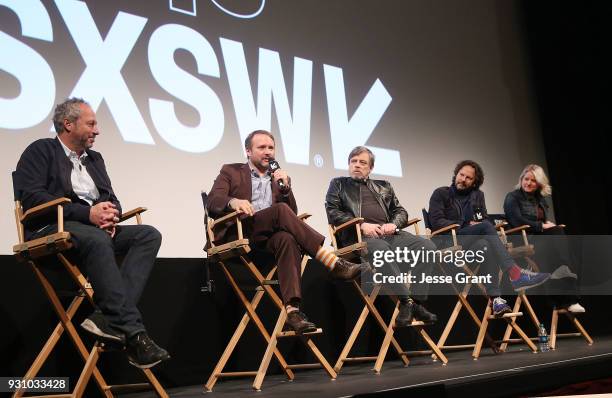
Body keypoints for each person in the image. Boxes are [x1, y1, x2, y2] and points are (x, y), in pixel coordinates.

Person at [14, 98, 169, 368]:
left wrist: (110, 216)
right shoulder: (40, 150)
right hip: (53, 228)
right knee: (96, 238)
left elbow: (111, 198)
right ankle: (134, 334)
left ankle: (104, 318)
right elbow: (33, 199)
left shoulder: (95, 159)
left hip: (92, 231)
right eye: (92, 124)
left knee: (148, 235)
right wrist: (87, 215)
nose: (97, 131)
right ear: (68, 124)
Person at [207, 130, 370, 334]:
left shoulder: (278, 177)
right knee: (280, 212)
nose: (268, 152)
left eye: (271, 148)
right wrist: (234, 201)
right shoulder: (231, 171)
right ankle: (333, 263)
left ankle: (293, 312)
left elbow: (291, 215)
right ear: (248, 151)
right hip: (240, 230)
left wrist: (284, 189)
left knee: (287, 238)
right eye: (262, 148)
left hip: (268, 236)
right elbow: (212, 201)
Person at [325, 146, 438, 326]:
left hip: (390, 236)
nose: (357, 165)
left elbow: (400, 211)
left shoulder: (383, 186)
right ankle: (406, 301)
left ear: (370, 168)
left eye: (362, 162)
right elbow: (332, 212)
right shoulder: (338, 184)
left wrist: (394, 224)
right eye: (353, 161)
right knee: (380, 248)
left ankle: (414, 303)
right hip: (359, 239)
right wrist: (362, 225)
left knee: (428, 247)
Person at [428, 160, 551, 315]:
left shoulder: (477, 195)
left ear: (474, 182)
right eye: (461, 175)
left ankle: (496, 299)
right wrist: (466, 224)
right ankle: (515, 273)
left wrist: (478, 224)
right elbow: (437, 221)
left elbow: (483, 218)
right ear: (456, 174)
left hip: (473, 243)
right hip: (449, 240)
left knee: (486, 244)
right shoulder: (441, 193)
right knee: (486, 228)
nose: (463, 179)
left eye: (468, 178)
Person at [504, 164, 585, 313]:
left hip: (540, 236)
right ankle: (567, 299)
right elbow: (516, 221)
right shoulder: (512, 197)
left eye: (533, 181)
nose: (528, 183)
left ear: (539, 183)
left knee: (560, 236)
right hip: (523, 238)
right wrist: (541, 226)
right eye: (526, 179)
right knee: (557, 247)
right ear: (521, 179)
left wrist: (548, 224)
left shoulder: (540, 199)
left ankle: (568, 296)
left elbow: (543, 221)